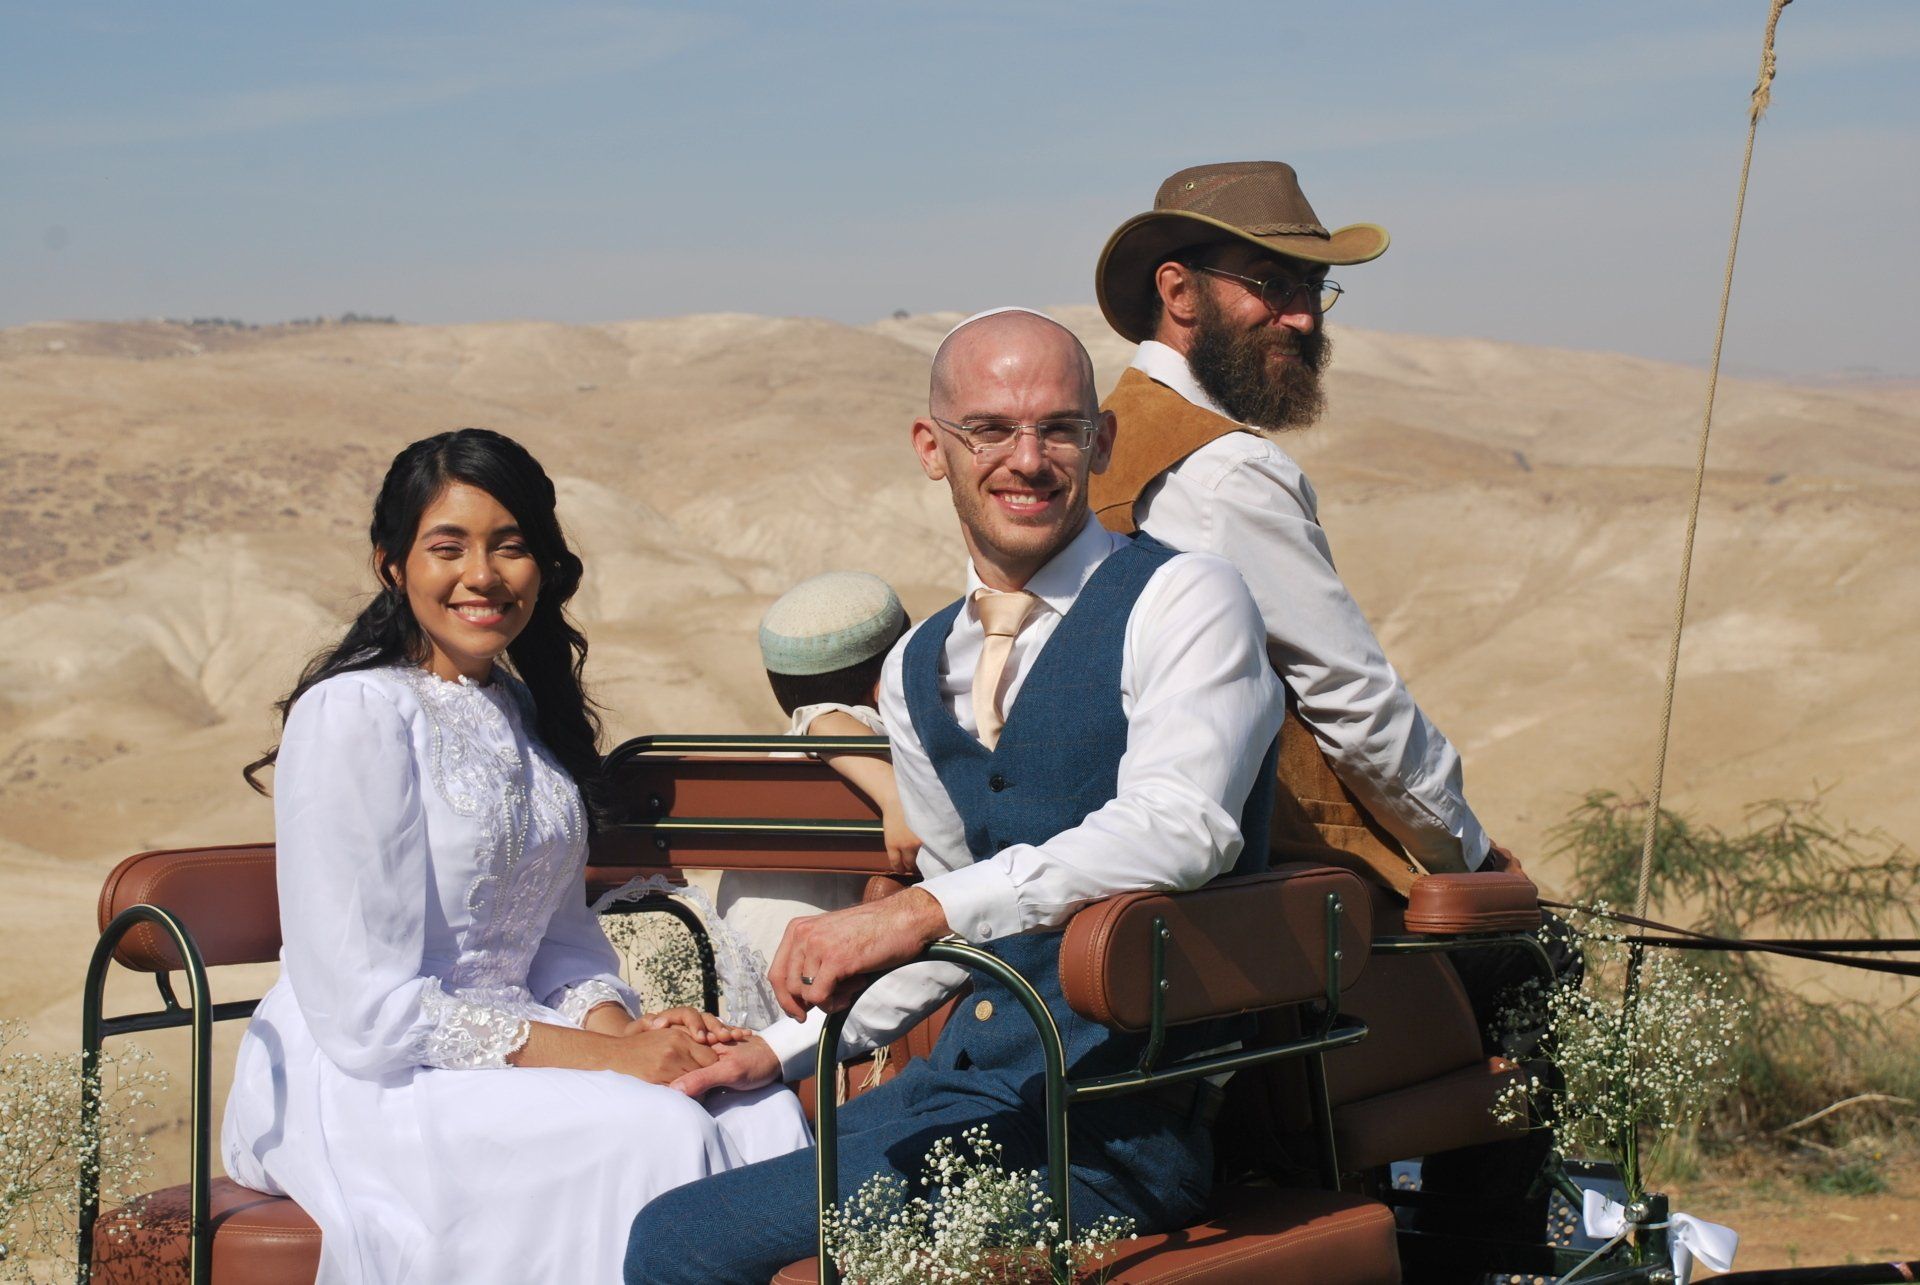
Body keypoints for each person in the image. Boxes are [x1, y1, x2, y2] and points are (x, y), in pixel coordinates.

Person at [622, 309, 1287, 1284]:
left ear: (1102, 441)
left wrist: (919, 911)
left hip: (1113, 1129)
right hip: (956, 1094)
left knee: (677, 1241)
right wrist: (779, 1048)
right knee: (656, 1165)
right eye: (990, 429)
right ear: (932, 448)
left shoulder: (1188, 599)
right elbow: (948, 917)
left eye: (1059, 428)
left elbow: (1185, 827)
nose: (1029, 458)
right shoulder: (915, 666)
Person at [224, 428, 811, 1284]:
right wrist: (612, 1061)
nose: (483, 574)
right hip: (370, 1075)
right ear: (392, 564)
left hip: (511, 1045)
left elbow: (560, 939)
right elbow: (366, 1012)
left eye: (510, 545)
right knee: (658, 1128)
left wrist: (627, 1029)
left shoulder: (521, 712)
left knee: (754, 1108)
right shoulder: (355, 712)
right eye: (448, 547)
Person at [1090, 160, 1507, 895]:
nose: (1305, 316)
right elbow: (1351, 696)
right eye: (1272, 284)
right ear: (1178, 292)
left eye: (1314, 287)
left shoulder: (1104, 436)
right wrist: (1471, 859)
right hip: (1263, 876)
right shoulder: (1227, 473)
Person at [713, 572, 920, 970]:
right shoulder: (866, 736)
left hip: (757, 972)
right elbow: (822, 718)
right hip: (838, 977)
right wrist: (896, 797)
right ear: (884, 680)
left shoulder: (780, 766)